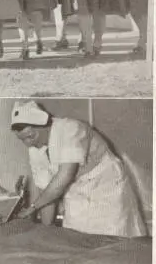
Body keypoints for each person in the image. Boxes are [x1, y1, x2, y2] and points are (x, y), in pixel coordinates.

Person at [11, 100, 147, 237]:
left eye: (30, 136)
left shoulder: (69, 129)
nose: (29, 144)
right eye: (23, 140)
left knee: (113, 242)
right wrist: (46, 232)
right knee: (76, 241)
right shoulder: (35, 150)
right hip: (76, 193)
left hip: (106, 187)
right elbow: (46, 193)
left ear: (44, 125)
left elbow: (64, 176)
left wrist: (33, 207)